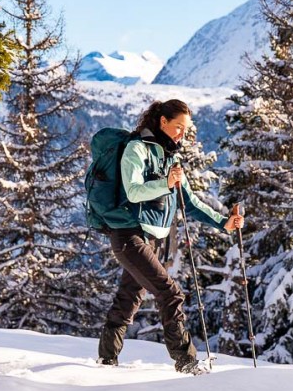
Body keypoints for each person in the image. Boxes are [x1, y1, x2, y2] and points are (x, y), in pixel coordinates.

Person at [97, 99, 245, 374]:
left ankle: (106, 359)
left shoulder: (171, 158)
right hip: (128, 235)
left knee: (129, 296)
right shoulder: (136, 149)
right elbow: (133, 192)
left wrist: (224, 222)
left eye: (185, 130)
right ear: (162, 121)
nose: (182, 134)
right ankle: (186, 360)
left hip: (150, 239)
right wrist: (165, 183)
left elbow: (188, 202)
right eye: (178, 127)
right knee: (170, 293)